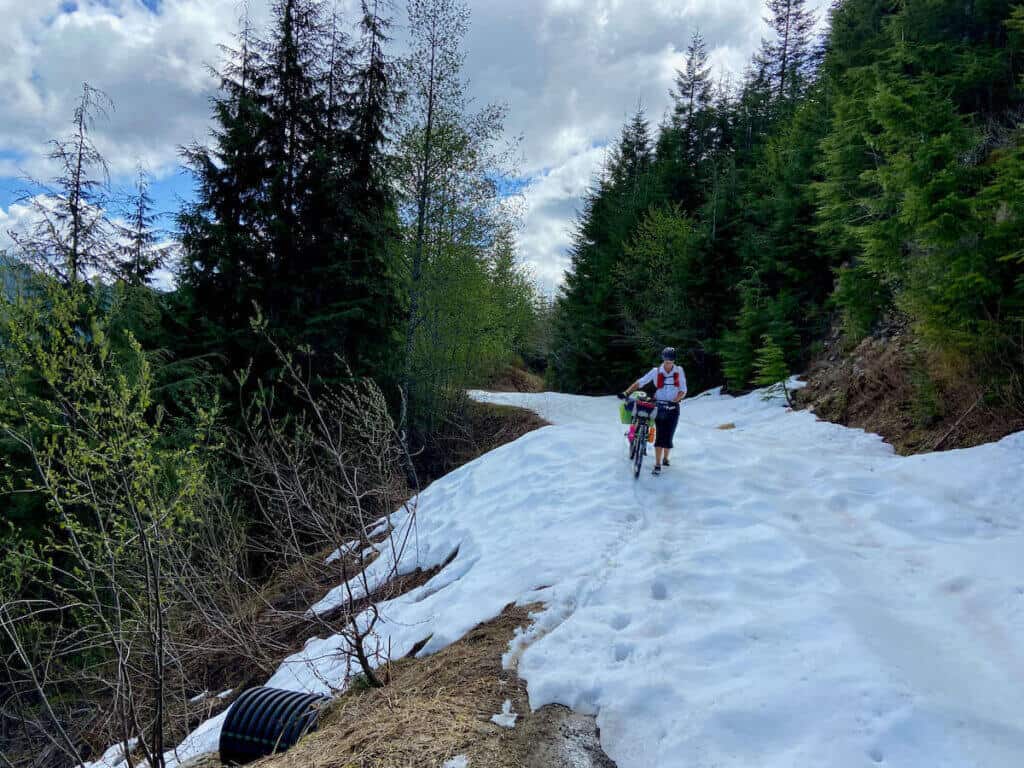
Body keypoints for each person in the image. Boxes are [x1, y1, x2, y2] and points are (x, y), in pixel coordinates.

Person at [618, 348, 687, 475]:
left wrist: (675, 400)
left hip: (673, 407)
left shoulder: (679, 371)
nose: (668, 364)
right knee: (660, 435)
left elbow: (683, 390)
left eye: (670, 361)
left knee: (669, 435)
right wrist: (627, 392)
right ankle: (657, 464)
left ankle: (666, 458)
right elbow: (640, 382)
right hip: (659, 406)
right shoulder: (656, 371)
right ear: (663, 360)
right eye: (666, 361)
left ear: (674, 361)